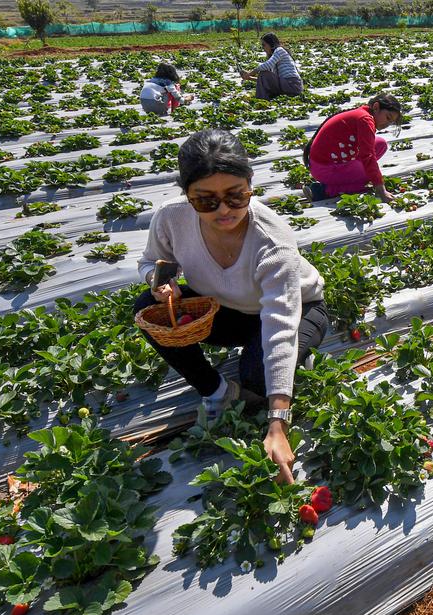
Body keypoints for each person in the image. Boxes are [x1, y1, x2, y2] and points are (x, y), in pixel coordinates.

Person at [135, 129, 329, 484]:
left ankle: (299, 357)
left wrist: (278, 422)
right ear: (187, 195)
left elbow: (280, 325)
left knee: (259, 374)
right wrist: (159, 282)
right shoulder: (172, 218)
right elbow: (151, 261)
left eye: (235, 196)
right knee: (147, 307)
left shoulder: (272, 242)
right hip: (228, 309)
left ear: (250, 184)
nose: (223, 210)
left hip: (300, 308)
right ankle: (217, 392)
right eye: (206, 200)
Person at [302, 93, 403, 204]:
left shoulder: (363, 114)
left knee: (380, 144)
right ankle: (322, 191)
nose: (387, 124)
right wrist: (381, 190)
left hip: (326, 161)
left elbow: (368, 153)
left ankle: (352, 175)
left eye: (390, 122)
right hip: (325, 168)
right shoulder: (365, 119)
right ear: (376, 107)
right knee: (368, 176)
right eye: (387, 117)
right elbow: (368, 156)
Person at [240, 33, 304, 101]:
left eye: (264, 45)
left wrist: (250, 73)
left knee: (263, 73)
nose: (263, 48)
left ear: (271, 44)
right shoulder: (274, 57)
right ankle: (262, 98)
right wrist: (250, 78)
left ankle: (261, 99)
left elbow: (267, 65)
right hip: (287, 85)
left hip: (293, 85)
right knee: (263, 74)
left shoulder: (279, 50)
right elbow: (266, 80)